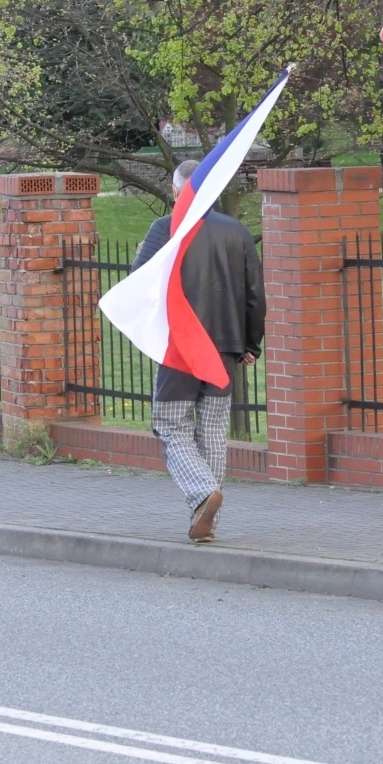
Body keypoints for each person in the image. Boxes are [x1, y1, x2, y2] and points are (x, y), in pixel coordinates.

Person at [132, 160, 265, 543]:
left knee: (171, 426)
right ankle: (205, 520)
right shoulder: (237, 231)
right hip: (225, 348)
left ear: (176, 190)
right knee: (211, 432)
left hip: (181, 347)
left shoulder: (165, 228)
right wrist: (251, 343)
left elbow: (140, 284)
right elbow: (255, 294)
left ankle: (203, 494)